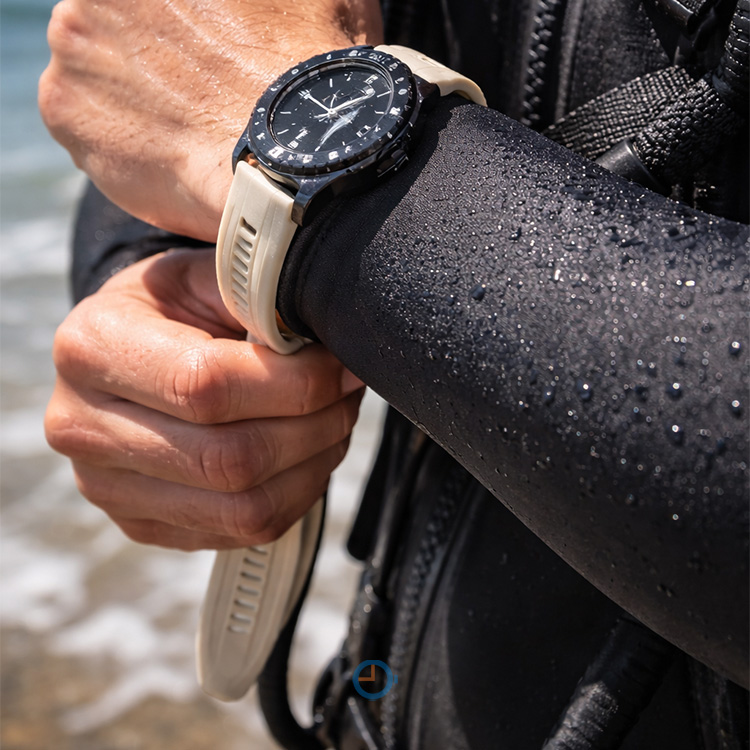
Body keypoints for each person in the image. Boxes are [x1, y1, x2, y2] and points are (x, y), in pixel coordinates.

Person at [39, 0, 748, 747]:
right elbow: (191, 55)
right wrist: (142, 271)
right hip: (391, 680)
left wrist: (319, 185)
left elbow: (254, 87)